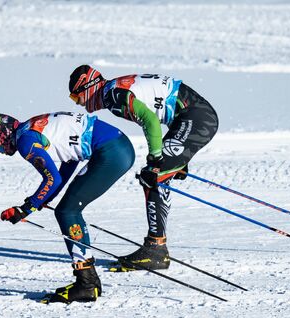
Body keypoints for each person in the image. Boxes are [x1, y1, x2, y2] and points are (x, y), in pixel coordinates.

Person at [68, 65, 219, 271]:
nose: (80, 105)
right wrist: (175, 158)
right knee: (156, 174)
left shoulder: (113, 95)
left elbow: (150, 120)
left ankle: (156, 250)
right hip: (193, 118)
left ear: (87, 88)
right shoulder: (112, 89)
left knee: (152, 176)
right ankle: (156, 245)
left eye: (77, 98)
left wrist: (157, 157)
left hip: (196, 118)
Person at [0, 111, 135, 303]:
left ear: (3, 133)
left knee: (67, 211)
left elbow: (52, 178)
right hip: (117, 147)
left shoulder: (25, 142)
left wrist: (27, 208)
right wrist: (45, 198)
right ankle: (90, 282)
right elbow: (70, 160)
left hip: (110, 152)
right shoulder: (28, 129)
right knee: (67, 209)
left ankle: (86, 284)